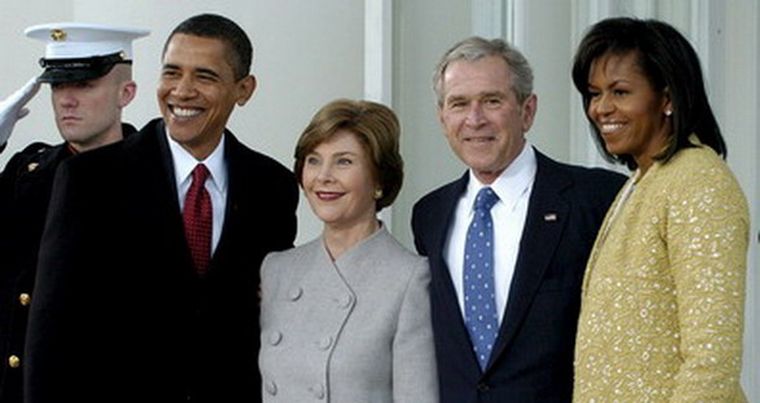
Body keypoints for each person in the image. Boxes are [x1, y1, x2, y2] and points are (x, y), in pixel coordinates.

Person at [25, 14, 298, 403]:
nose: (182, 91)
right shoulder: (89, 180)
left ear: (243, 89)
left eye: (204, 76)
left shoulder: (272, 186)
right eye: (172, 73)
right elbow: (49, 338)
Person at [411, 36, 626, 402]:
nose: (474, 119)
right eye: (459, 104)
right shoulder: (429, 215)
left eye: (492, 101)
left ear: (527, 111)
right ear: (442, 117)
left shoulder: (598, 199)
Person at [571, 17, 749, 402]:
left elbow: (712, 358)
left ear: (667, 98)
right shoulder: (642, 181)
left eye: (619, 92)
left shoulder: (699, 182)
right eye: (594, 93)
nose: (601, 108)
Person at [0, 22, 147, 403]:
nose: (67, 99)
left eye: (83, 85)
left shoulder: (155, 178)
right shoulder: (26, 172)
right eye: (59, 85)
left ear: (125, 93)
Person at [259, 99, 438, 402]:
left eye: (344, 161)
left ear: (379, 180)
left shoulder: (410, 278)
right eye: (313, 160)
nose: (324, 176)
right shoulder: (277, 269)